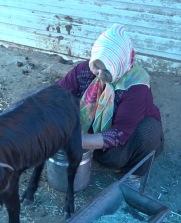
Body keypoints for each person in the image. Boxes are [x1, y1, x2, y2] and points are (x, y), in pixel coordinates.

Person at [56, 24, 164, 182]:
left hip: (124, 144)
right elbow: (56, 96)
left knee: (149, 131)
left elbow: (120, 133)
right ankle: (88, 150)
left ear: (119, 65)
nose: (99, 75)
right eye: (97, 67)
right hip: (91, 137)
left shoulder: (136, 87)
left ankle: (134, 174)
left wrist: (75, 140)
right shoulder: (84, 71)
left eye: (107, 70)